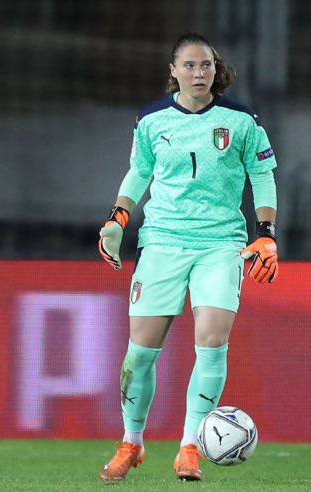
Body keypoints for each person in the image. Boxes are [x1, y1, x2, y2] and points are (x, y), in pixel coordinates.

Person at [97, 32, 279, 482]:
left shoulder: (241, 121)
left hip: (220, 243)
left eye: (207, 65)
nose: (200, 73)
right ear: (174, 71)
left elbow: (262, 175)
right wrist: (119, 216)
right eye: (191, 65)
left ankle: (189, 447)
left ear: (216, 70)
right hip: (162, 241)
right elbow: (140, 170)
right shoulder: (151, 120)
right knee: (140, 353)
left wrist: (266, 234)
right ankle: (131, 442)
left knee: (212, 342)